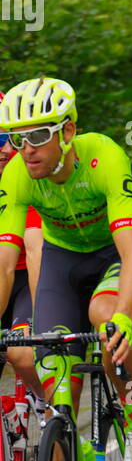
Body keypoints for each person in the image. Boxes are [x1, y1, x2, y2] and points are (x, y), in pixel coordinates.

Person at [0, 78, 132, 461]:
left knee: (105, 315)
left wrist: (127, 319)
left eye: (38, 135)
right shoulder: (19, 174)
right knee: (58, 398)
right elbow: (5, 264)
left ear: (68, 130)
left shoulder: (103, 156)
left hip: (111, 257)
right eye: (16, 139)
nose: (26, 149)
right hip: (65, 264)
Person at [0, 91, 44, 402]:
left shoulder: (24, 172)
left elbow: (34, 250)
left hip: (26, 276)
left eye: (10, 138)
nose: (5, 148)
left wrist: (41, 318)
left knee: (24, 353)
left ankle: (52, 407)